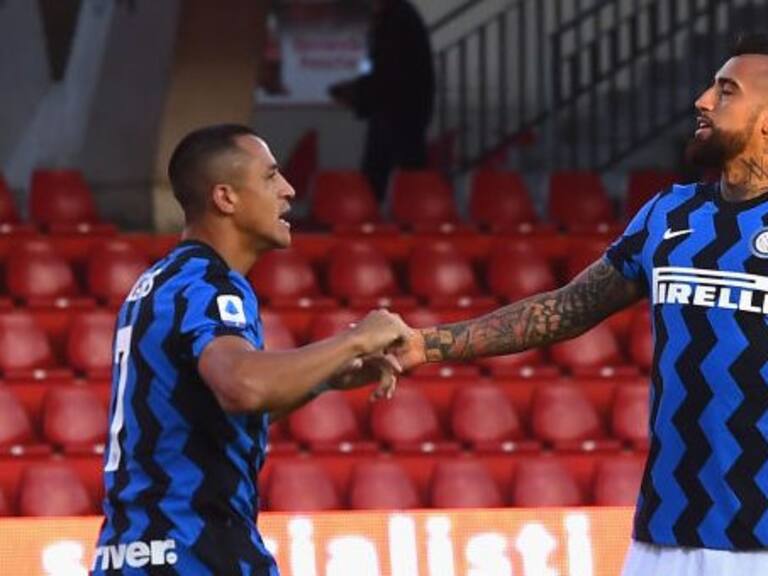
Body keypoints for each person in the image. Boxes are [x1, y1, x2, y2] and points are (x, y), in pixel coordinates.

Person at [394, 33, 768, 576]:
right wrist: (427, 345)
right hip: (661, 540)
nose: (703, 100)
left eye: (726, 91)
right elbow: (567, 309)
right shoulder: (669, 213)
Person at [90, 124, 409, 575]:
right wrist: (355, 338)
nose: (288, 189)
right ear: (226, 198)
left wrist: (325, 378)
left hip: (134, 554)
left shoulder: (161, 282)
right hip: (195, 552)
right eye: (271, 176)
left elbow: (204, 410)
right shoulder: (209, 284)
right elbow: (242, 387)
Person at [329, 0, 435, 200]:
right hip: (399, 110)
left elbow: (389, 72)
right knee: (396, 172)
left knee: (386, 174)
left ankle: (383, 211)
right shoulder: (395, 17)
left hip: (400, 111)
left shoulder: (396, 20)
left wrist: (357, 92)